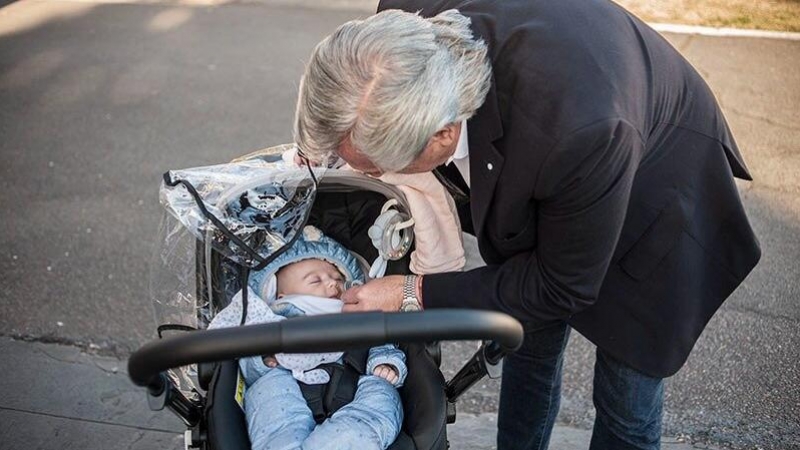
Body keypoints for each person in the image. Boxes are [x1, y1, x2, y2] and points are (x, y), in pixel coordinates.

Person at [292, 1, 761, 449]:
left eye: (374, 166)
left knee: (626, 397)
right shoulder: (395, 38)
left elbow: (560, 286)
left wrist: (412, 292)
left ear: (442, 134)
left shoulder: (582, 128)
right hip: (556, 152)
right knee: (525, 343)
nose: (368, 175)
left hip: (655, 199)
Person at [209, 226, 406, 450]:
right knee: (267, 390)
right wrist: (264, 359)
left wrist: (387, 363)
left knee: (383, 393)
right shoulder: (268, 319)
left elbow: (383, 340)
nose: (332, 283)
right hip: (285, 389)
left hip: (355, 386)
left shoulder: (359, 314)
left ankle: (346, 438)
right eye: (315, 281)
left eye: (338, 278)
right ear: (282, 295)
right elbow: (248, 369)